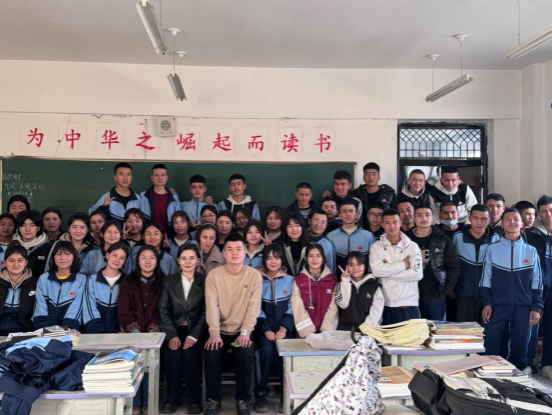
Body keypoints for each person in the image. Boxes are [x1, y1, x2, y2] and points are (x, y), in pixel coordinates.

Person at [203, 234, 262, 415]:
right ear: (224, 253)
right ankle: (214, 400)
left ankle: (242, 400)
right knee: (211, 353)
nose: (234, 253)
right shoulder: (214, 275)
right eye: (230, 249)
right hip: (219, 330)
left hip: (242, 330)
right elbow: (212, 306)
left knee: (244, 354)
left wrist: (245, 332)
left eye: (238, 249)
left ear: (245, 252)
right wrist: (214, 333)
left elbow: (253, 308)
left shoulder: (254, 275)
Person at [480, 208, 542, 372]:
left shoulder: (531, 251)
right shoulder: (492, 249)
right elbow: (485, 278)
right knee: (491, 342)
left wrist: (536, 307)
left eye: (515, 219)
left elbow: (537, 281)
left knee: (520, 344)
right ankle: (491, 372)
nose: (512, 222)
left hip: (523, 306)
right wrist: (487, 303)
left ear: (522, 224)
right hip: (497, 305)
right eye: (507, 219)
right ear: (502, 224)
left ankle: (519, 372)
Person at [159, 244, 207, 414]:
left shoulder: (205, 280)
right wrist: (171, 334)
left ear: (198, 260)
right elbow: (163, 310)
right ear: (178, 260)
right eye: (184, 258)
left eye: (192, 258)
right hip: (174, 328)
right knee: (172, 356)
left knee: (190, 356)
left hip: (196, 329)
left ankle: (194, 399)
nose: (188, 262)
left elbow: (207, 311)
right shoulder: (168, 281)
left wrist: (194, 335)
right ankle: (172, 398)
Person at [118, 245, 163, 414]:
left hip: (155, 334)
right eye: (143, 257)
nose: (147, 261)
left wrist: (152, 331)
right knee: (134, 357)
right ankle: (135, 401)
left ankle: (148, 401)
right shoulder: (128, 281)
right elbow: (124, 310)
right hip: (132, 333)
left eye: (152, 257)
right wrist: (135, 332)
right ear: (138, 261)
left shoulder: (164, 281)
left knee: (150, 358)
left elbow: (163, 309)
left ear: (157, 261)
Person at [253, 244, 295, 413]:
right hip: (263, 329)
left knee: (283, 353)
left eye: (276, 257)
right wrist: (266, 329)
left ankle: (286, 395)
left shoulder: (290, 280)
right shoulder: (256, 278)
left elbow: (293, 306)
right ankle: (261, 394)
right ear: (264, 260)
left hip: (284, 329)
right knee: (265, 351)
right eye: (269, 258)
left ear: (282, 260)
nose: (273, 261)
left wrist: (284, 328)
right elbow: (255, 307)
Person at [406, 205, 460, 320]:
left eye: (427, 215)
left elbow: (454, 267)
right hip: (411, 295)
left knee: (436, 328)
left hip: (435, 295)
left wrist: (445, 290)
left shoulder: (442, 239)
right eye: (419, 215)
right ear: (413, 218)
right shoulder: (405, 239)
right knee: (414, 329)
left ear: (432, 218)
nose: (424, 218)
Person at [369, 209, 423, 325]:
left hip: (407, 303)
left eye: (395, 222)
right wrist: (403, 265)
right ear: (382, 224)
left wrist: (386, 271)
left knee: (410, 336)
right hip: (383, 303)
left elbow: (417, 274)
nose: (392, 226)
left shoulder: (412, 247)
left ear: (400, 223)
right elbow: (376, 271)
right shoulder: (376, 247)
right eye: (387, 223)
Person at [451, 204, 499, 323]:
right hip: (463, 294)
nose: (479, 222)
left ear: (489, 220)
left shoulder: (496, 239)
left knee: (487, 331)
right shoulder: (457, 238)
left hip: (489, 296)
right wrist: (451, 289)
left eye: (484, 218)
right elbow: (449, 265)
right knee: (465, 331)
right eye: (475, 218)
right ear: (469, 218)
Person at [524, 196, 552, 379]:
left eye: (551, 210)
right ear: (539, 213)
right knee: (531, 326)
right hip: (538, 287)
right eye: (544, 211)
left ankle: (548, 364)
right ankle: (527, 362)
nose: (548, 214)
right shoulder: (532, 234)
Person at [33, 241, 86, 330]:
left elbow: (75, 309)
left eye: (67, 254)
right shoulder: (44, 278)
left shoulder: (81, 280)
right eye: (58, 254)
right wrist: (45, 331)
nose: (63, 258)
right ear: (53, 257)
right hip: (45, 331)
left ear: (74, 257)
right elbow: (40, 308)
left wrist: (65, 331)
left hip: (69, 330)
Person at [291, 244, 338, 338]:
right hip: (305, 333)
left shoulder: (332, 281)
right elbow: (297, 308)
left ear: (323, 258)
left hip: (326, 335)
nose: (314, 259)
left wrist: (326, 332)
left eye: (318, 256)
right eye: (311, 256)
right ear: (305, 258)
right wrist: (307, 332)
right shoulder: (298, 281)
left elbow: (333, 308)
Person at [83, 242, 130, 333]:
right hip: (95, 334)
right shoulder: (92, 280)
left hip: (118, 335)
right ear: (107, 255)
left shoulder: (127, 282)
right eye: (114, 255)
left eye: (122, 258)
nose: (117, 260)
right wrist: (99, 333)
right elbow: (89, 310)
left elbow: (127, 311)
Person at [336, 251, 384, 330]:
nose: (355, 268)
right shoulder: (341, 285)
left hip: (367, 330)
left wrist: (366, 328)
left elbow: (376, 310)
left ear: (364, 266)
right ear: (346, 266)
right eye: (351, 265)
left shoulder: (374, 286)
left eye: (359, 264)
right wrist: (345, 282)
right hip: (344, 330)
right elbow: (343, 304)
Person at [326, 201, 374, 273]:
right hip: (339, 278)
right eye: (344, 211)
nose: (348, 214)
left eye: (351, 211)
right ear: (339, 215)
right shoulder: (330, 236)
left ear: (356, 215)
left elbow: (372, 262)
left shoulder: (368, 236)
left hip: (362, 278)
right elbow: (329, 262)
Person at [0, 242, 36, 336]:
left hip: (23, 334)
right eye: (11, 260)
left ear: (26, 262)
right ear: (4, 262)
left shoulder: (35, 284)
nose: (16, 264)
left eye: (20, 260)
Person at [140, 164, 180, 234]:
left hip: (169, 236)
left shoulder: (174, 198)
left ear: (167, 178)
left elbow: (178, 218)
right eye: (156, 175)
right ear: (152, 178)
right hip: (149, 236)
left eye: (163, 175)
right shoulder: (143, 196)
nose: (160, 178)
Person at [13, 210, 52, 278]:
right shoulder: (12, 246)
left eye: (32, 225)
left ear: (38, 228)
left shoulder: (48, 248)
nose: (28, 229)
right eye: (23, 225)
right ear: (18, 228)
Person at [280, 213, 309, 277]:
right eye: (290, 226)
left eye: (297, 225)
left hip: (305, 282)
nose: (294, 229)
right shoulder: (280, 247)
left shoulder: (310, 246)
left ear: (302, 227)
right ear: (285, 228)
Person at [307, 210, 335, 274]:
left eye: (323, 222)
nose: (319, 224)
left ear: (326, 225)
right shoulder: (300, 238)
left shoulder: (327, 245)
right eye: (316, 220)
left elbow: (330, 269)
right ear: (309, 221)